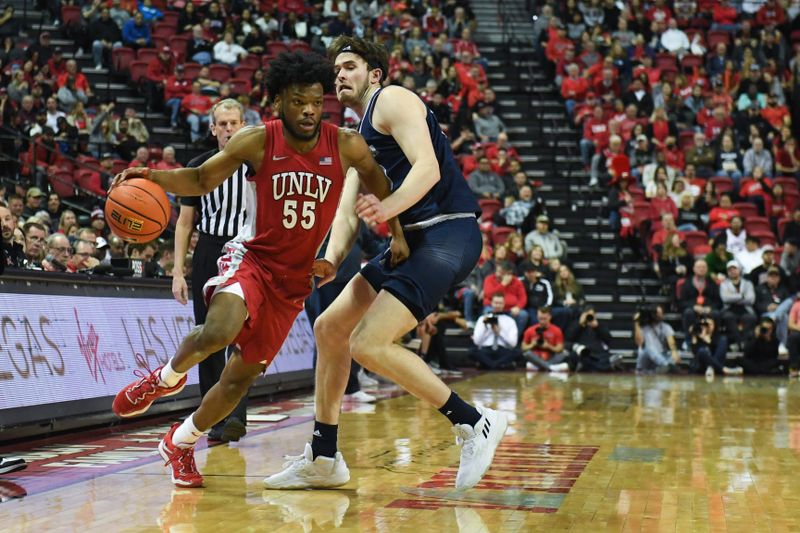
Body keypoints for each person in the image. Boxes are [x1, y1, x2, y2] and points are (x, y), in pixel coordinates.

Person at [110, 52, 407, 488]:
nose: (308, 110)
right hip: (250, 258)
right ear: (278, 103)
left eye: (315, 102)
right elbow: (199, 180)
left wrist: (397, 234)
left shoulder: (346, 144)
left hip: (292, 283)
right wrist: (153, 176)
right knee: (217, 331)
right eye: (297, 101)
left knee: (236, 383)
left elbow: (384, 189)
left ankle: (179, 442)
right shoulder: (256, 140)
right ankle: (165, 378)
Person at [264, 37, 507, 492]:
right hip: (411, 243)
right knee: (329, 328)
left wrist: (389, 205)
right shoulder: (357, 140)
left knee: (368, 343)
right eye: (335, 69)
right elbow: (344, 211)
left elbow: (428, 168)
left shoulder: (391, 99)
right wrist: (330, 259)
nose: (339, 75)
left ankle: (474, 423)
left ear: (374, 74)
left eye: (349, 66)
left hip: (447, 230)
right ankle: (322, 456)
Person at [172, 98, 251, 443]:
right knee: (207, 337)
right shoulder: (199, 165)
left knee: (242, 338)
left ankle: (236, 416)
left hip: (247, 251)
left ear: (244, 125)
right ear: (213, 128)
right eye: (223, 124)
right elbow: (185, 223)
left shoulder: (257, 165)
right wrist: (178, 270)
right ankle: (214, 418)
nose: (229, 129)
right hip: (208, 249)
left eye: (234, 123)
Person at [468, 293, 519, 370]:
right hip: (486, 350)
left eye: (500, 303)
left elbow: (513, 344)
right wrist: (486, 327)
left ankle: (489, 365)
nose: (497, 305)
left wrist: (499, 333)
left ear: (504, 304)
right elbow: (477, 342)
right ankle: (498, 366)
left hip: (502, 350)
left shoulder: (510, 321)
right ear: (491, 303)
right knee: (471, 351)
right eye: (495, 303)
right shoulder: (482, 319)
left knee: (518, 352)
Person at [565, 308, 621, 372]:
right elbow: (569, 338)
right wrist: (579, 324)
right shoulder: (576, 324)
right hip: (585, 352)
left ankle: (606, 364)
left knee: (603, 358)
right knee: (577, 356)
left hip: (598, 353)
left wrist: (597, 327)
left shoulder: (599, 325)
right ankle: (606, 365)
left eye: (592, 315)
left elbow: (608, 339)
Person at [719, 260, 757, 351]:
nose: (732, 271)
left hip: (745, 309)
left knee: (750, 318)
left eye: (734, 269)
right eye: (730, 270)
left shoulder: (748, 284)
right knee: (728, 318)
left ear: (739, 270)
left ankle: (743, 343)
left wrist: (733, 298)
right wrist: (742, 296)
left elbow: (751, 299)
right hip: (729, 309)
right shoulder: (724, 284)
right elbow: (725, 298)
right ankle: (740, 342)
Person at [634, 305, 680, 374]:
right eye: (657, 313)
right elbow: (639, 343)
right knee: (650, 348)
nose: (659, 315)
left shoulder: (665, 327)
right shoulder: (643, 327)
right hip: (646, 358)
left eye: (661, 313)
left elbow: (671, 342)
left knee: (678, 353)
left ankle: (659, 370)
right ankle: (667, 366)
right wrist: (637, 322)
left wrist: (674, 352)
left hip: (660, 356)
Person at [521, 306, 568, 372]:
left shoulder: (557, 330)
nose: (542, 321)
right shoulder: (530, 330)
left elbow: (559, 348)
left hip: (550, 357)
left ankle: (540, 367)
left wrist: (549, 346)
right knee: (527, 353)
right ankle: (551, 368)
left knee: (564, 353)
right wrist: (532, 344)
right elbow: (523, 348)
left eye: (544, 319)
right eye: (540, 319)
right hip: (535, 357)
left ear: (550, 317)